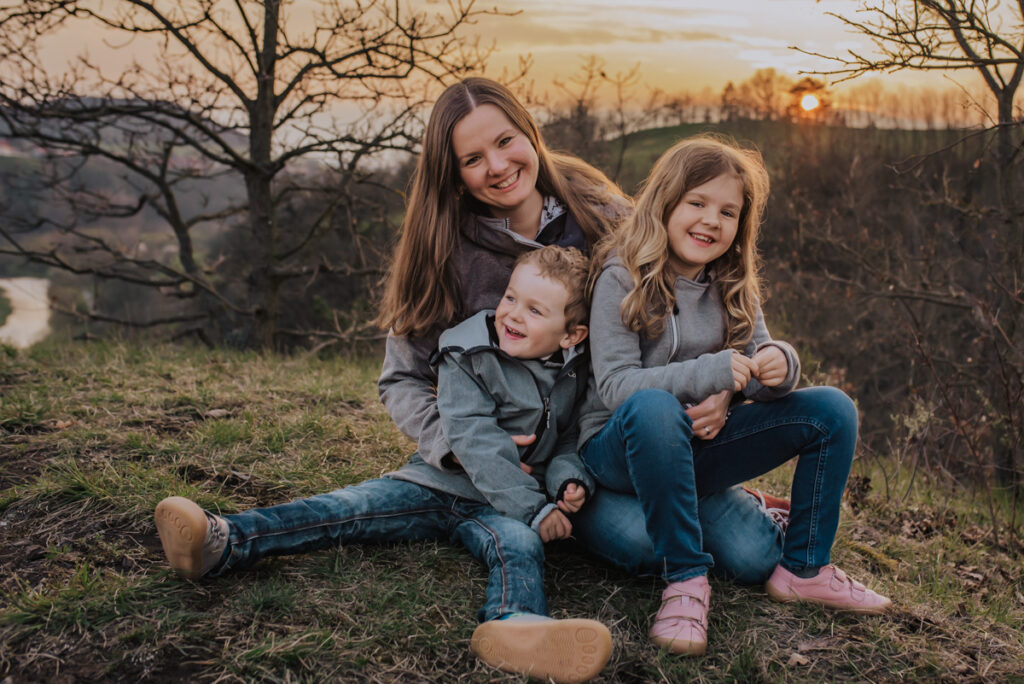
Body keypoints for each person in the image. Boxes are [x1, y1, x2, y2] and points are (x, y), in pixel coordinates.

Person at [375, 76, 786, 591]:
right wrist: (457, 444)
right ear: (454, 175)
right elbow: (401, 381)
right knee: (643, 546)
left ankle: (722, 499)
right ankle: (690, 508)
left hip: (625, 429)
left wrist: (723, 387)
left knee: (755, 560)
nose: (498, 166)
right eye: (473, 159)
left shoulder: (603, 212)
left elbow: (692, 299)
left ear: (531, 134)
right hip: (554, 467)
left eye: (505, 142)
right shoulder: (442, 252)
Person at [156, 246, 611, 684]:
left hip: (499, 509)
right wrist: (535, 509)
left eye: (534, 310)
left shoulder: (574, 372)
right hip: (438, 483)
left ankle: (516, 625)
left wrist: (570, 479)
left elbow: (569, 440)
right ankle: (224, 540)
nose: (512, 313)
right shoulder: (466, 353)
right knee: (348, 507)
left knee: (519, 548)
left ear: (571, 335)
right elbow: (473, 437)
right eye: (510, 297)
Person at [578, 135, 891, 657]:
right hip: (618, 455)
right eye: (696, 203)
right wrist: (714, 374)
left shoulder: (733, 282)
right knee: (653, 418)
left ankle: (804, 568)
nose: (710, 221)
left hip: (698, 454)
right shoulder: (621, 275)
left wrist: (779, 365)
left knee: (831, 411)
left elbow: (762, 361)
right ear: (664, 204)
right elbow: (615, 387)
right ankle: (685, 581)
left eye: (727, 211)